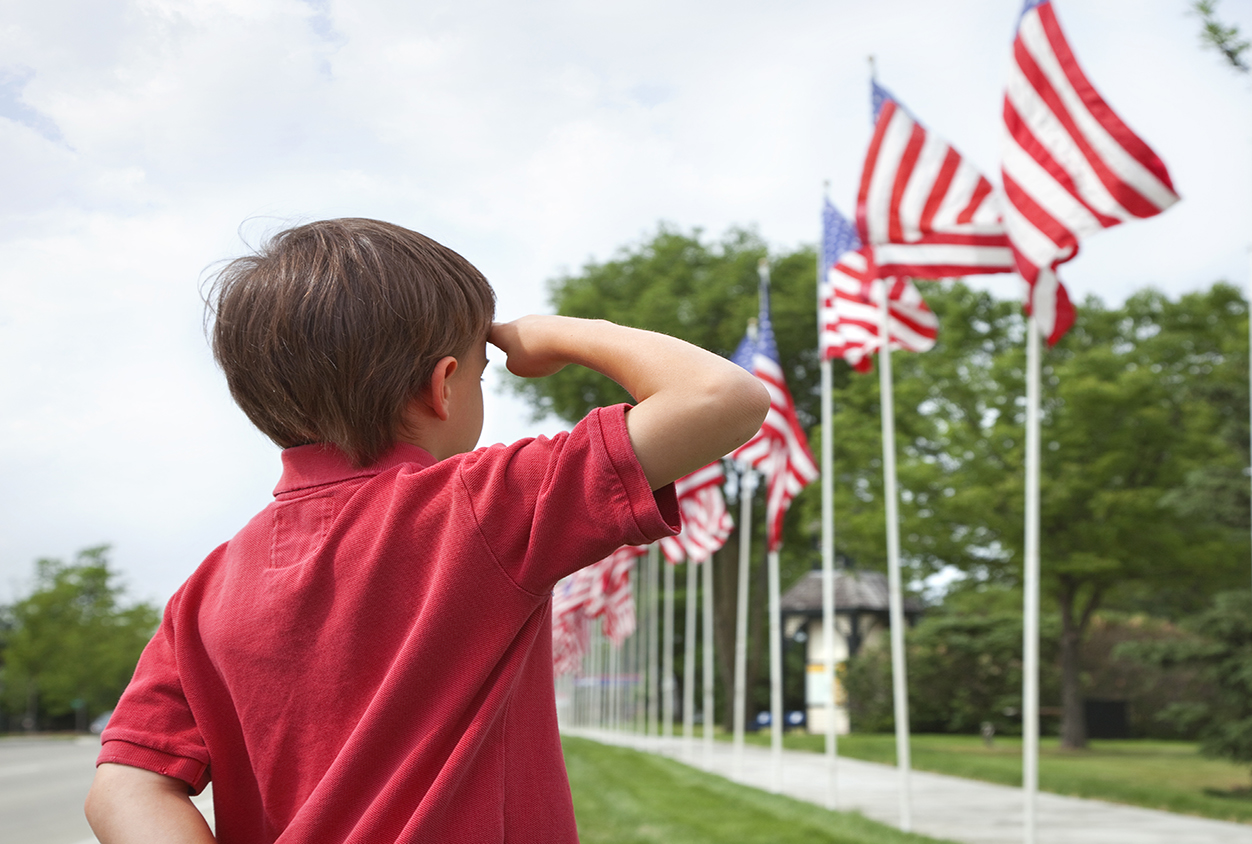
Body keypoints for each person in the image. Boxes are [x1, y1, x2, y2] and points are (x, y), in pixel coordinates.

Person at [83, 218, 770, 844]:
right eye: (482, 370)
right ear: (442, 387)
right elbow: (722, 397)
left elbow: (124, 785)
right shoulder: (480, 506)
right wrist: (559, 334)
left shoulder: (205, 590)